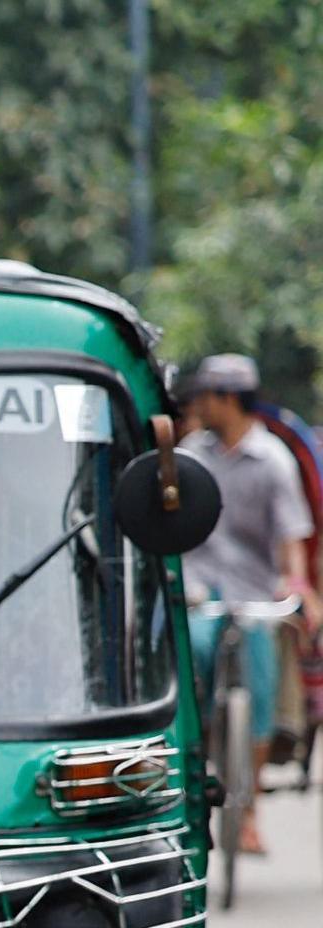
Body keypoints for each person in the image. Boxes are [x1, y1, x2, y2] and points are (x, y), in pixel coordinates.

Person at [176, 354, 318, 854]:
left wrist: (296, 585)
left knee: (259, 690)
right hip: (197, 587)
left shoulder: (273, 460)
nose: (198, 405)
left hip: (252, 591)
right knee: (188, 656)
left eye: (206, 396)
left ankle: (250, 805)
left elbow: (291, 536)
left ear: (228, 399)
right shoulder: (192, 453)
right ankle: (191, 768)